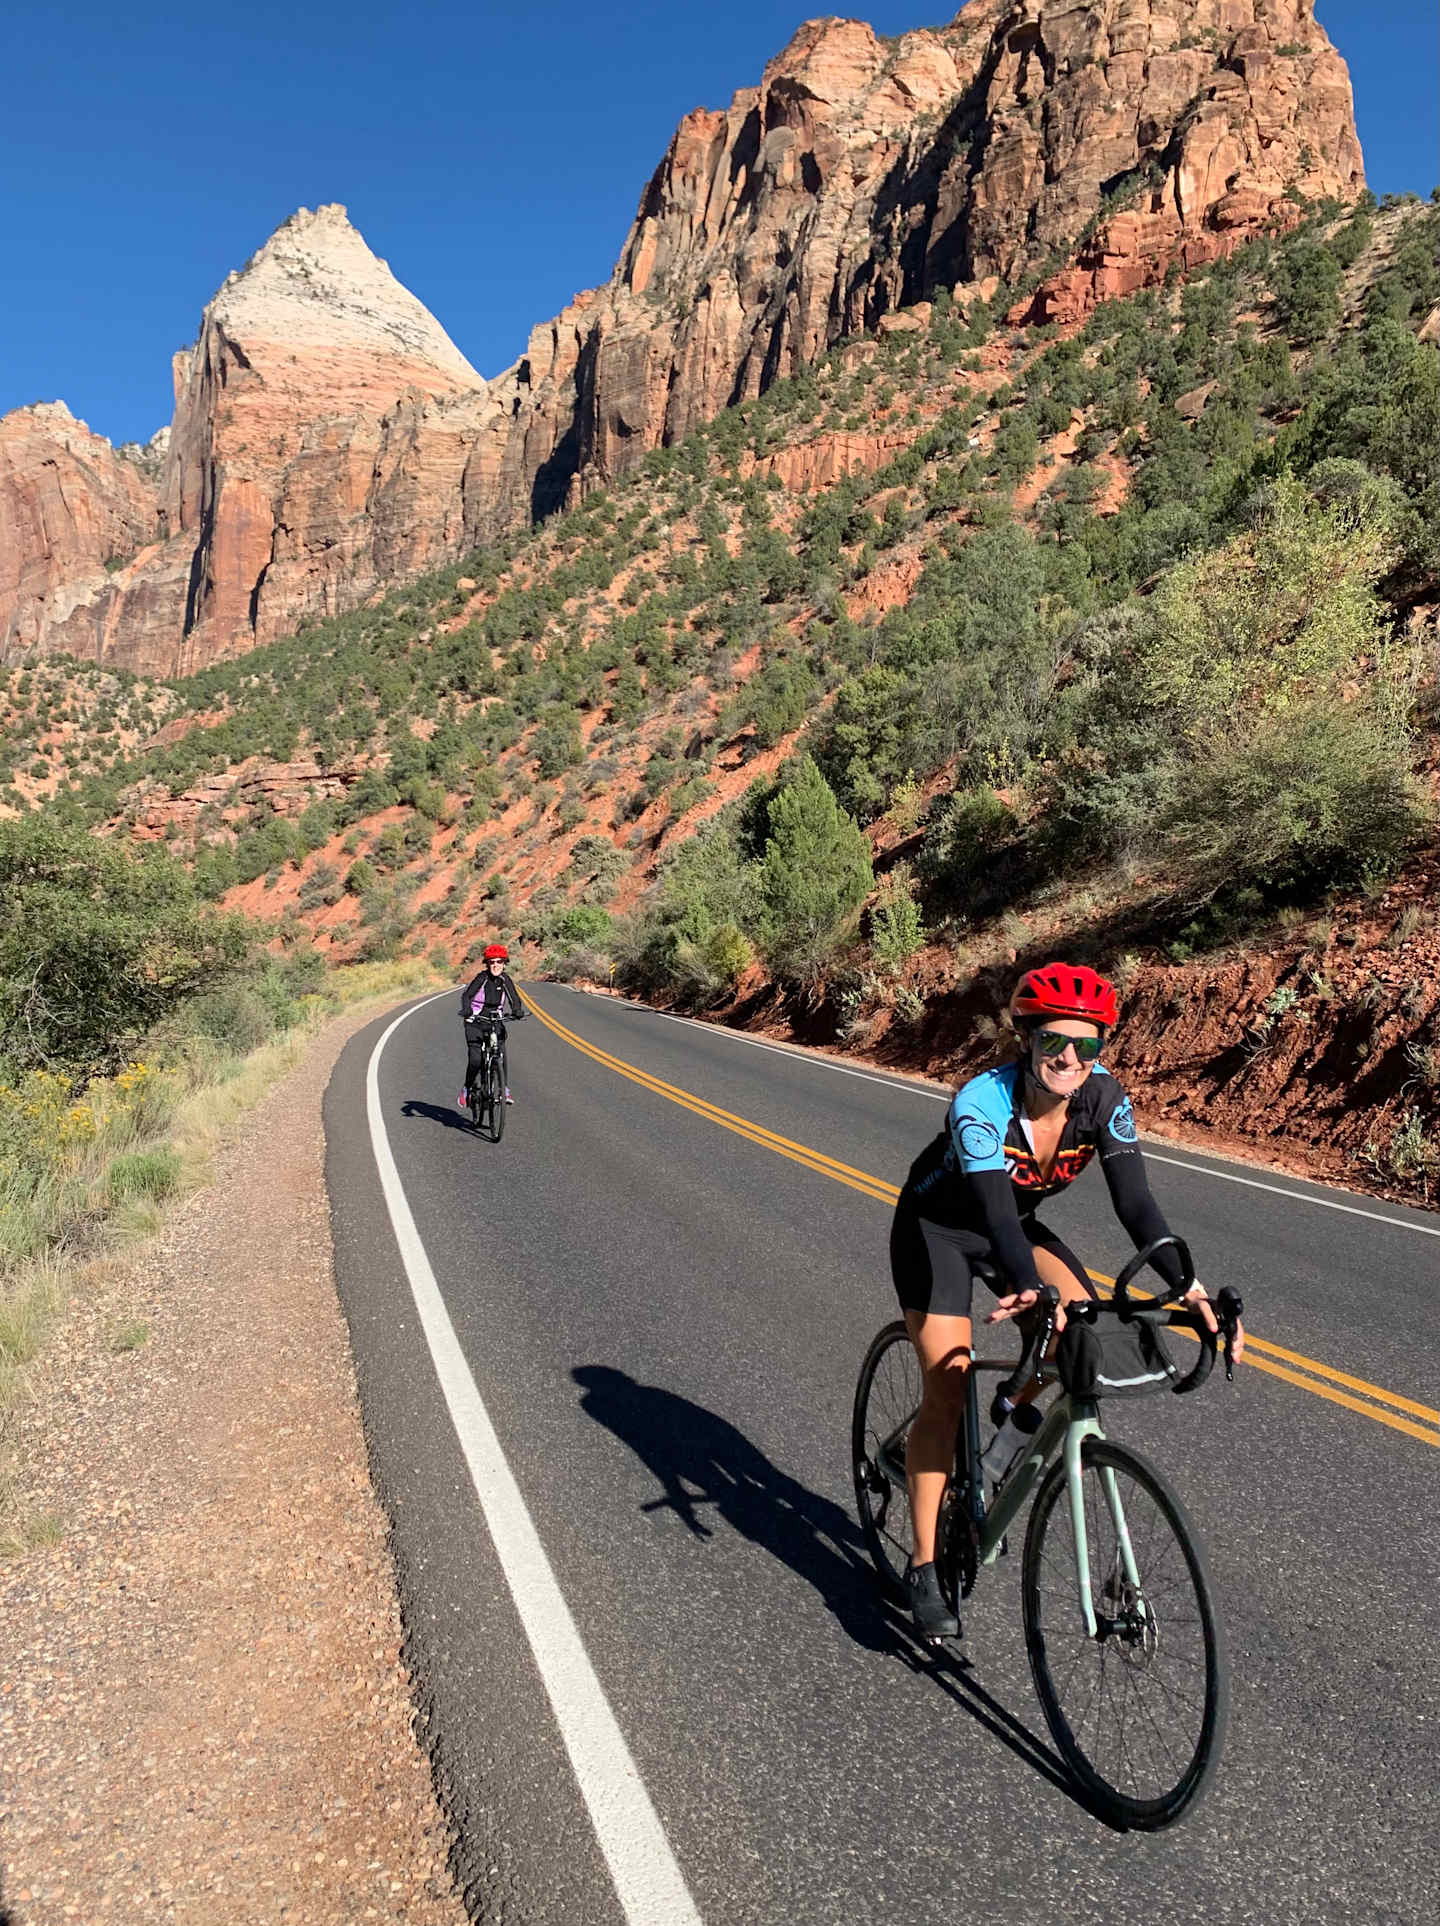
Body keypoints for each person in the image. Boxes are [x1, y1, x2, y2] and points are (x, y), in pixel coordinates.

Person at [887, 961, 1242, 1639]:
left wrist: (1185, 1286)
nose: (1069, 1058)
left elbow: (1136, 1203)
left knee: (1081, 1337)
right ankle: (926, 1565)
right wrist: (1029, 1287)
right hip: (938, 1231)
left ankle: (1002, 1438)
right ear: (1025, 1037)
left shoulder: (1105, 1101)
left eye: (1087, 1045)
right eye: (1054, 1041)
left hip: (1011, 1229)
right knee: (948, 1384)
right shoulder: (983, 1103)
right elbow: (993, 1212)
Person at [458, 943, 525, 1110]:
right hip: (476, 1022)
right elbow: (467, 995)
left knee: (500, 1056)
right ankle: (466, 1088)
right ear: (487, 964)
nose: (496, 965)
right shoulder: (482, 978)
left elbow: (514, 998)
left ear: (504, 963)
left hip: (495, 1022)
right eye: (492, 962)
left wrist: (517, 1010)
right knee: (475, 1059)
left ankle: (504, 1089)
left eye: (499, 962)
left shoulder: (505, 979)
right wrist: (467, 1010)